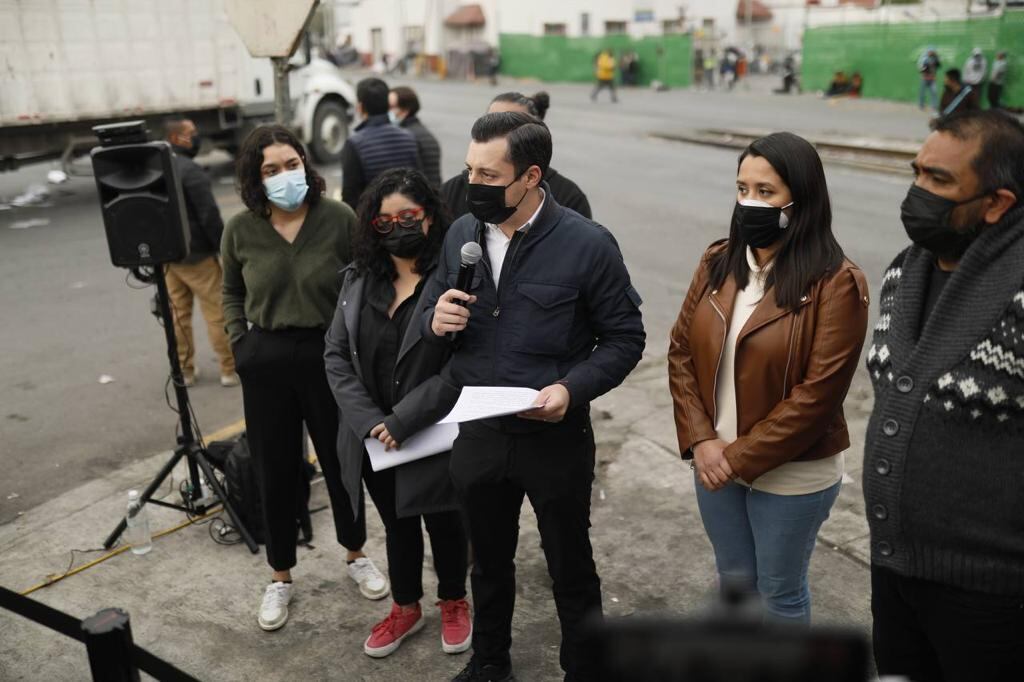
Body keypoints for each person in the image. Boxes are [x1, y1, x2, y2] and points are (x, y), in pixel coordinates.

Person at [423, 112, 645, 681]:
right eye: (469, 171)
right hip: (480, 432)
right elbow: (429, 310)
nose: (473, 185)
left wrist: (571, 389)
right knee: (487, 563)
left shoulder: (587, 244)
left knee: (570, 565)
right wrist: (435, 320)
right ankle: (489, 662)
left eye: (489, 176)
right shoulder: (462, 234)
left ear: (531, 177)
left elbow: (625, 338)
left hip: (554, 435)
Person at [668, 132, 869, 624]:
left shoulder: (836, 283)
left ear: (802, 201)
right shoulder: (717, 263)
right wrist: (702, 440)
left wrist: (735, 458)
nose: (749, 202)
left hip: (793, 472)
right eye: (743, 189)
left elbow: (818, 395)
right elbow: (681, 353)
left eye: (766, 191)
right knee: (735, 584)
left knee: (779, 594)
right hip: (714, 459)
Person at [864, 109, 1024, 680]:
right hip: (894, 572)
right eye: (917, 172)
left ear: (997, 203)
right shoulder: (903, 273)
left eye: (939, 180)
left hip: (992, 598)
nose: (917, 192)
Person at [221, 124, 389, 632]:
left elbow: (367, 279)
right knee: (274, 468)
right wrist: (239, 343)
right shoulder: (241, 229)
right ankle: (280, 575)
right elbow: (230, 291)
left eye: (291, 164)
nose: (284, 175)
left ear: (305, 164)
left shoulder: (338, 218)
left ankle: (356, 552)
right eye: (270, 169)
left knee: (343, 461)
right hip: (266, 358)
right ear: (255, 178)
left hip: (329, 355)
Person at [324, 168, 472, 659]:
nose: (397, 228)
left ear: (429, 217)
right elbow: (336, 355)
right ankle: (406, 606)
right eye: (384, 221)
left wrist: (406, 419)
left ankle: (454, 600)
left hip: (433, 430)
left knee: (446, 522)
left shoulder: (451, 280)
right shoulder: (359, 279)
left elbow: (462, 365)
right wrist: (370, 422)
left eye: (408, 216)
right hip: (375, 439)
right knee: (397, 524)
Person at [162, 118, 236, 387]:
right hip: (198, 256)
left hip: (169, 256)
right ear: (176, 138)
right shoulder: (190, 170)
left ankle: (185, 370)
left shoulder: (158, 168)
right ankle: (229, 369)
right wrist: (223, 248)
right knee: (216, 313)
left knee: (178, 316)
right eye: (190, 133)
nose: (196, 137)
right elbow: (209, 215)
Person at [441, 92, 592, 221]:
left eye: (514, 122)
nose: (499, 129)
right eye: (492, 120)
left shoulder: (569, 197)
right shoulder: (453, 193)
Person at [340, 77, 420, 210]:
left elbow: (350, 195)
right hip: (405, 214)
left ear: (360, 107)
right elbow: (417, 182)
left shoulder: (354, 143)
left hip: (373, 217)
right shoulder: (409, 137)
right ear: (388, 105)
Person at [388, 86, 442, 190]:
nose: (387, 111)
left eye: (391, 107)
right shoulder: (422, 132)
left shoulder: (406, 137)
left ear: (405, 110)